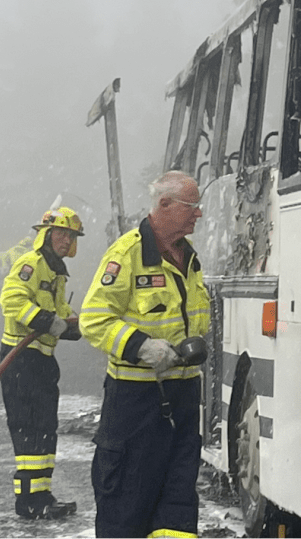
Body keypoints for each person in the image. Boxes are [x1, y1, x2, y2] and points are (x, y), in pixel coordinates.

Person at [80, 170, 211, 539]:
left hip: (183, 399)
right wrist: (142, 346)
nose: (198, 214)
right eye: (192, 206)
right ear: (164, 205)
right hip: (136, 403)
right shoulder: (127, 254)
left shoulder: (188, 257)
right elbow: (94, 320)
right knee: (126, 504)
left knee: (178, 504)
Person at [0, 207, 85, 520]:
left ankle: (43, 496)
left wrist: (77, 323)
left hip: (42, 360)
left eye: (71, 236)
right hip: (20, 360)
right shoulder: (31, 264)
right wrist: (47, 321)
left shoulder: (56, 270)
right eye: (61, 233)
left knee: (46, 429)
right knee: (28, 428)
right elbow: (11, 299)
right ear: (46, 235)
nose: (66, 240)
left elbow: (59, 308)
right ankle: (28, 502)